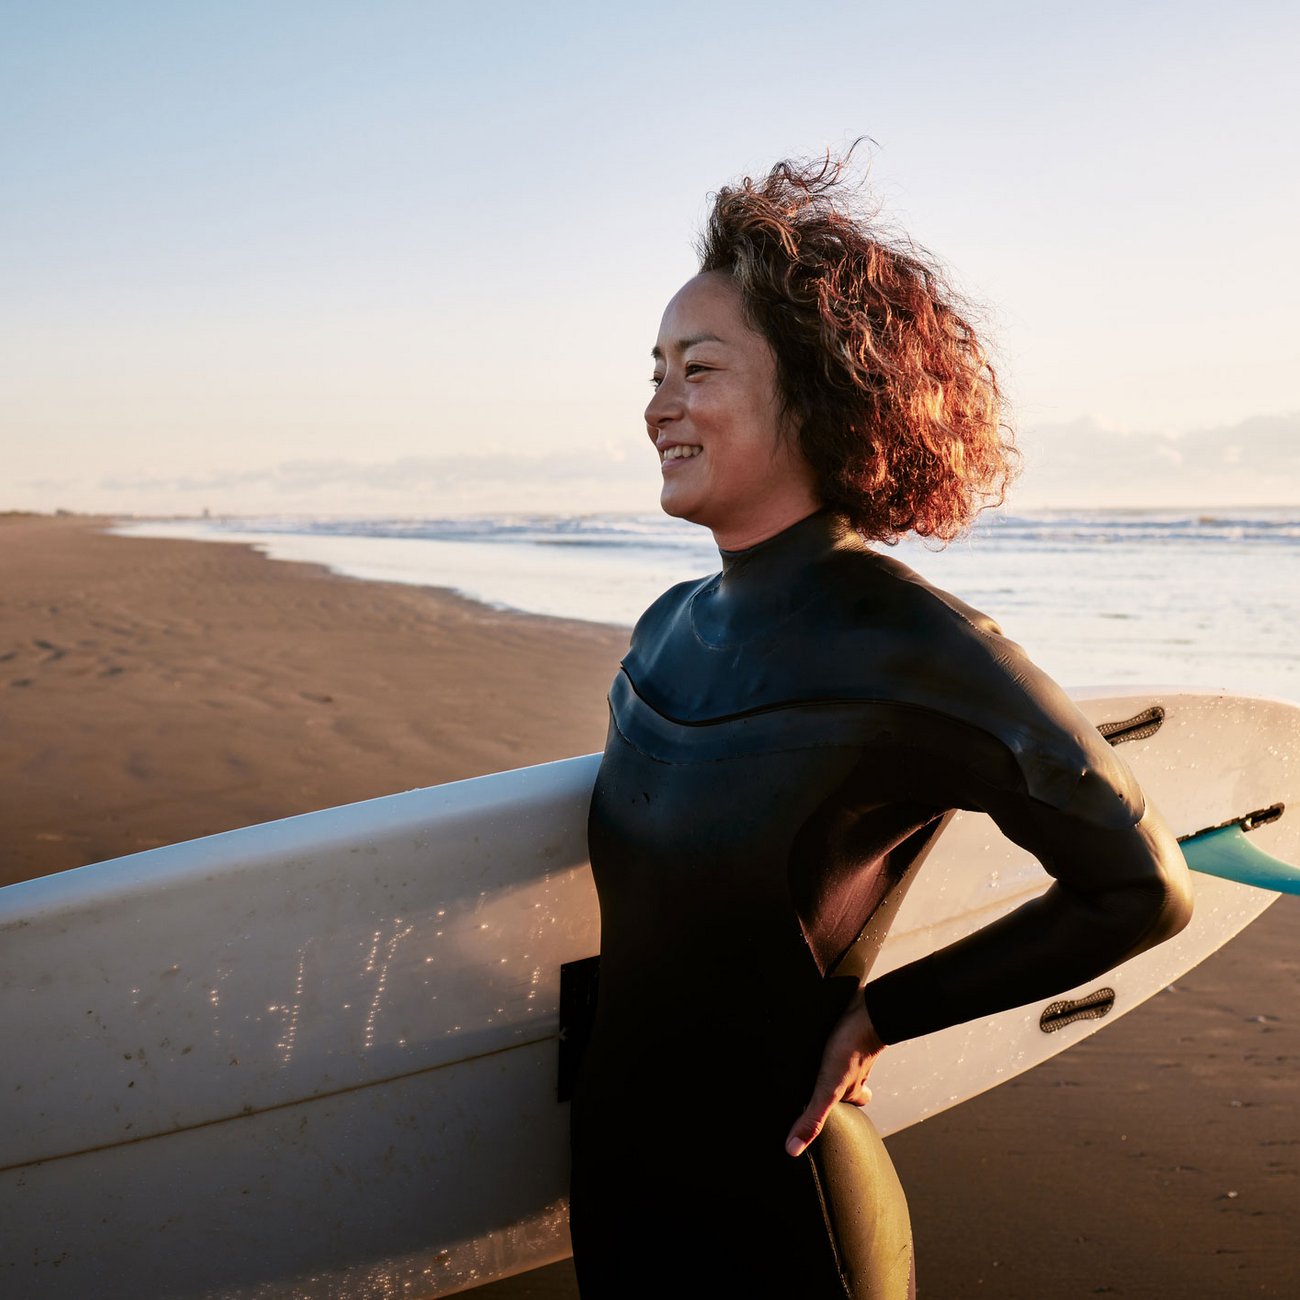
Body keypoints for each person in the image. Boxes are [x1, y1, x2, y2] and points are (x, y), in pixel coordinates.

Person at [569, 152, 1193, 1298]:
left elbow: (1141, 886)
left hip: (785, 1205)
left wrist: (881, 1011)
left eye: (696, 369)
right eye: (653, 369)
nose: (658, 404)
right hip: (615, 1191)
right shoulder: (661, 632)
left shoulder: (919, 650)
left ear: (811, 391)